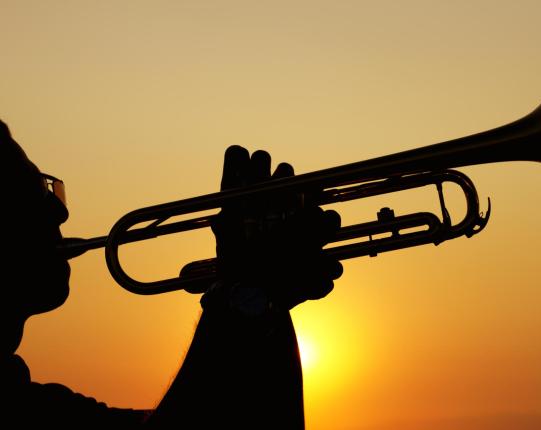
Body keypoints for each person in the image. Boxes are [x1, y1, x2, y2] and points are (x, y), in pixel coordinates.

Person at [0, 119, 342, 428]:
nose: (60, 213)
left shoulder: (43, 405)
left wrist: (270, 302)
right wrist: (245, 294)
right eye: (32, 192)